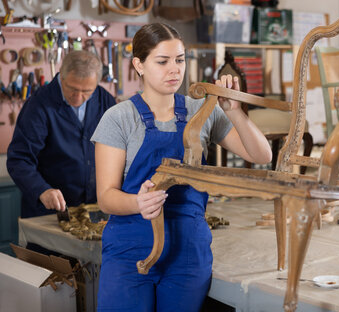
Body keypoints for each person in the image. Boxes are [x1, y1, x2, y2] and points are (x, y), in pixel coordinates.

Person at [91, 22, 272, 312]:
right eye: (162, 61)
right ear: (139, 64)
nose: (174, 69)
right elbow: (106, 196)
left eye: (180, 59)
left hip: (187, 252)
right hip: (130, 249)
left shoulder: (200, 112)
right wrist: (138, 202)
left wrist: (235, 111)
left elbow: (261, 154)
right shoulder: (118, 118)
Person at [7, 50, 116, 218]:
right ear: (61, 77)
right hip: (48, 210)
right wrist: (42, 189)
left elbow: (119, 150)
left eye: (87, 91)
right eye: (72, 89)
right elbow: (20, 159)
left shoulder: (105, 100)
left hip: (95, 208)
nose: (78, 98)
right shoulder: (38, 105)